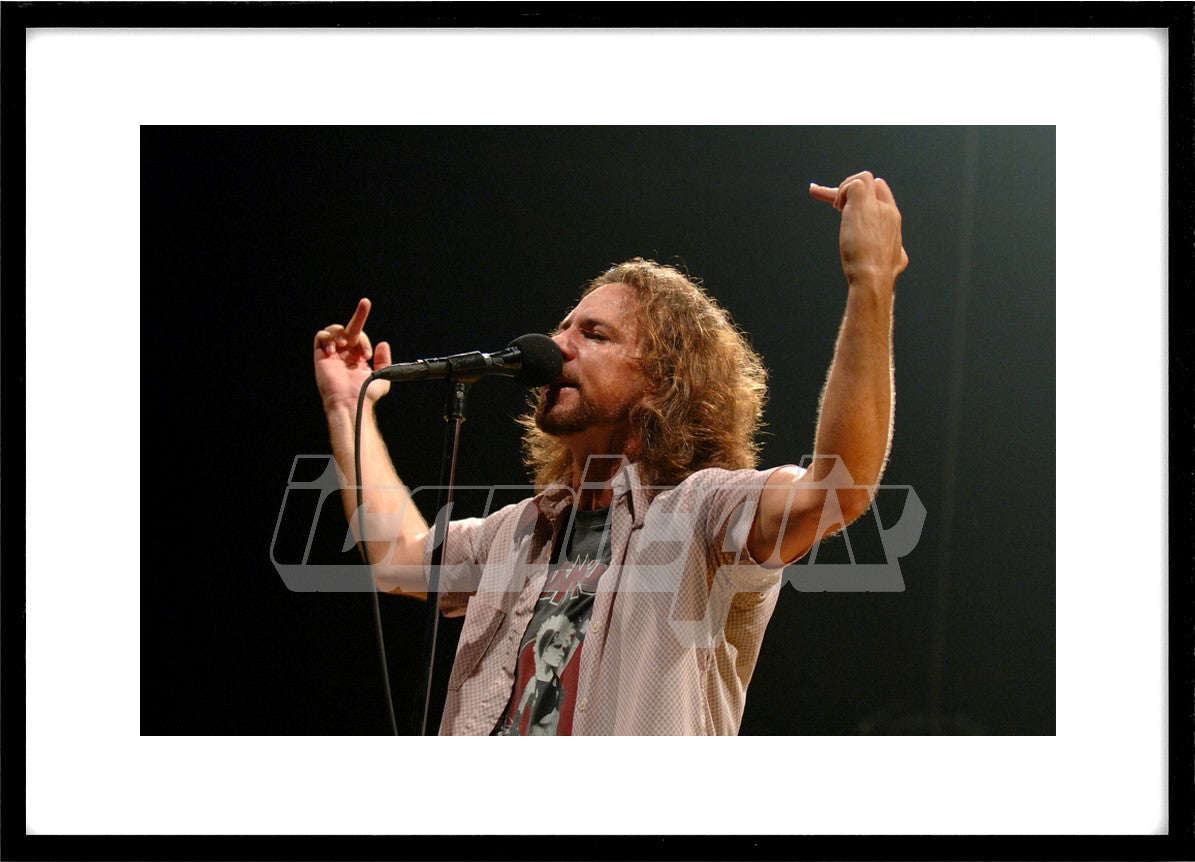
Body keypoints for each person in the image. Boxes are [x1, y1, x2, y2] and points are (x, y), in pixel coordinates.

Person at [313, 171, 908, 735]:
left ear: (666, 380)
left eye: (593, 335)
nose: (555, 346)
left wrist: (870, 282)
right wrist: (349, 408)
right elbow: (395, 559)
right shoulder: (520, 532)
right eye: (563, 328)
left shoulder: (702, 513)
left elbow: (840, 490)